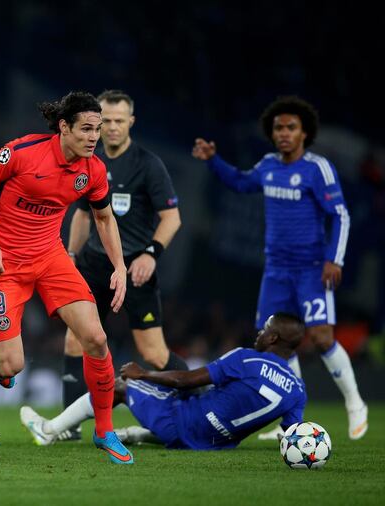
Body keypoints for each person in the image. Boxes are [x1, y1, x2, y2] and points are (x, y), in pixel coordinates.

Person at [0, 91, 133, 464]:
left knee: (96, 337)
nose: (94, 137)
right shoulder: (23, 152)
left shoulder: (93, 170)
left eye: (98, 130)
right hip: (3, 263)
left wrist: (119, 267)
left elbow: (104, 218)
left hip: (50, 257)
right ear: (64, 127)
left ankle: (104, 430)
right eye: (86, 129)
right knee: (10, 368)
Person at [191, 96, 367, 440]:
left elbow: (340, 215)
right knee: (274, 341)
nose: (283, 133)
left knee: (320, 336)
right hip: (275, 270)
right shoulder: (268, 164)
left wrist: (335, 259)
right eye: (278, 128)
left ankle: (354, 402)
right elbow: (242, 183)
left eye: (291, 127)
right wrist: (214, 161)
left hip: (311, 268)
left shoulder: (317, 169)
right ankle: (291, 421)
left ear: (305, 133)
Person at [59, 90, 188, 442]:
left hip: (136, 268)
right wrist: (71, 257)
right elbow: (83, 215)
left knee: (153, 353)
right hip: (93, 265)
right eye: (107, 121)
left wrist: (151, 253)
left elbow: (172, 218)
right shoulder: (91, 160)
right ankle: (68, 428)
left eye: (119, 121)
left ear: (131, 122)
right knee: (75, 340)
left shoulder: (148, 165)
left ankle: (199, 402)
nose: (112, 128)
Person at [20, 313, 307, 450]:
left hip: (184, 424)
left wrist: (142, 374)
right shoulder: (297, 389)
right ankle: (130, 435)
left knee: (117, 384)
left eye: (265, 328)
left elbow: (187, 381)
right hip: (214, 443)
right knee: (186, 404)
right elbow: (292, 435)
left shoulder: (248, 359)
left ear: (272, 338)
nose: (259, 331)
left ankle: (49, 430)